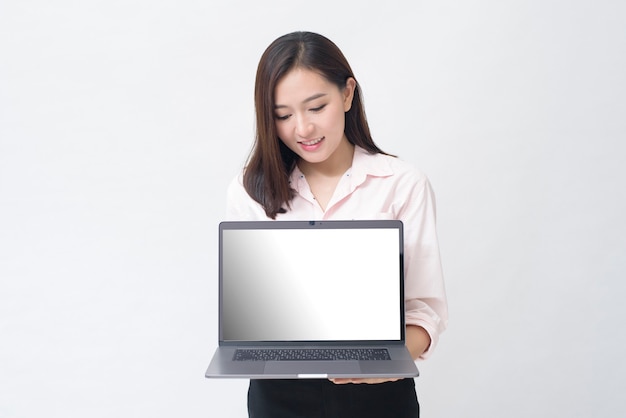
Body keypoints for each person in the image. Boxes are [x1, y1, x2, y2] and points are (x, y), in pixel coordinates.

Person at [225, 31, 448, 418]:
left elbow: (424, 311)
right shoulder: (250, 190)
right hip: (279, 396)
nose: (303, 129)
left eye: (316, 107)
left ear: (347, 94)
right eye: (283, 115)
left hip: (380, 395)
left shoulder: (401, 183)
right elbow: (249, 311)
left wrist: (377, 366)